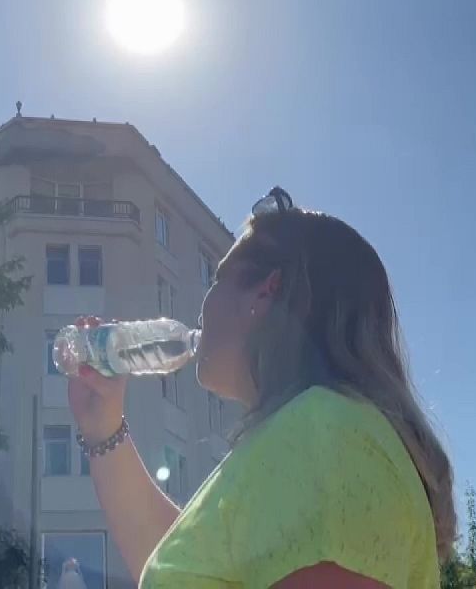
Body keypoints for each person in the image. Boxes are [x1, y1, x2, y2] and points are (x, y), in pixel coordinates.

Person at [68, 187, 455, 588]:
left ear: (265, 290)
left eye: (217, 280)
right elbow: (183, 571)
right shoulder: (319, 435)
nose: (203, 305)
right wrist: (103, 428)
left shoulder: (322, 433)